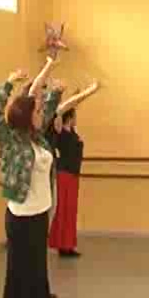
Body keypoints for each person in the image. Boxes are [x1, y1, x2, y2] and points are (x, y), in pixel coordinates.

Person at [0, 57, 63, 298]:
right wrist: (9, 83)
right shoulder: (10, 141)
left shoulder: (37, 139)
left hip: (39, 215)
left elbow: (42, 102)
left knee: (38, 273)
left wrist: (51, 81)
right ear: (25, 115)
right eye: (36, 110)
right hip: (20, 217)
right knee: (20, 273)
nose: (41, 112)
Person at [47, 81, 100, 258]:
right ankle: (61, 244)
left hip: (73, 174)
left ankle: (68, 244)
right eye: (74, 115)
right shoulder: (59, 129)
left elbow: (71, 105)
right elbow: (63, 108)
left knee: (71, 211)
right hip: (64, 174)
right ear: (69, 117)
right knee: (63, 210)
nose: (76, 118)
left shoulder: (73, 131)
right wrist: (88, 91)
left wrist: (77, 94)